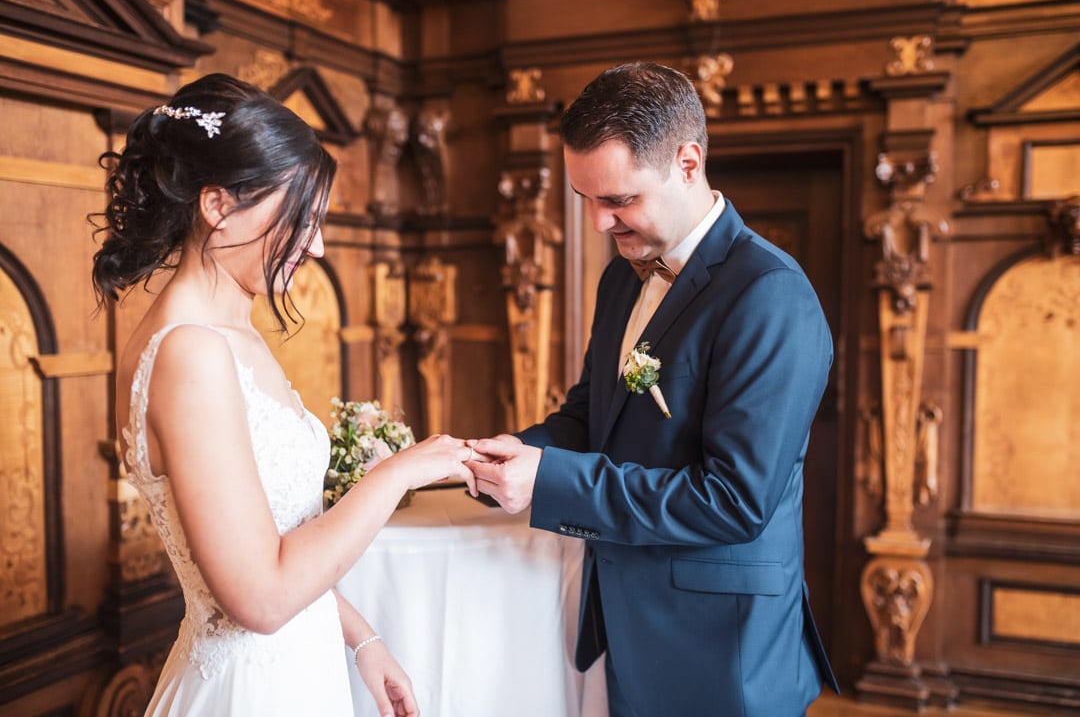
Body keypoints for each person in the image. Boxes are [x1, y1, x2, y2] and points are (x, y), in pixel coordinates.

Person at [91, 73, 474, 717]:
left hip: (299, 673)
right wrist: (398, 474)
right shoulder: (189, 351)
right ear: (217, 205)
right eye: (301, 219)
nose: (317, 245)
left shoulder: (229, 331)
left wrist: (362, 640)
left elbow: (272, 538)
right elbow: (258, 598)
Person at [466, 62, 840, 717]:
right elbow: (591, 418)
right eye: (586, 198)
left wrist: (549, 481)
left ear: (688, 161)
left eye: (618, 199)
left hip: (723, 651)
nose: (599, 224)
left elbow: (733, 500)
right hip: (625, 624)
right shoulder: (622, 279)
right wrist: (499, 454)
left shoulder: (770, 295)